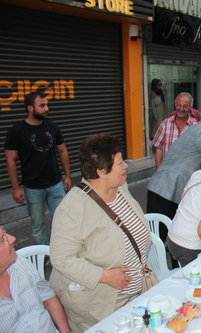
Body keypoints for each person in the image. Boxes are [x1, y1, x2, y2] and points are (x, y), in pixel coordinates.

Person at [49, 134, 153, 332]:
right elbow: (60, 258)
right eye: (120, 162)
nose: (126, 166)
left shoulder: (120, 188)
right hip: (100, 307)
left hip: (135, 296)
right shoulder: (72, 208)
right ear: (101, 171)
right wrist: (103, 276)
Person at [5, 91, 71, 245]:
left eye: (47, 105)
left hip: (55, 184)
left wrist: (67, 176)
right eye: (42, 105)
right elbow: (10, 161)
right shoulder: (16, 131)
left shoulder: (53, 127)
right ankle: (43, 257)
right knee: (37, 225)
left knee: (62, 222)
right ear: (30, 108)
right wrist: (15, 188)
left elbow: (62, 151)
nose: (46, 108)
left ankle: (62, 253)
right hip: (33, 187)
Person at [0, 227, 71, 333]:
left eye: (5, 234)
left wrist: (66, 331)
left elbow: (48, 298)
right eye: (2, 240)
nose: (12, 238)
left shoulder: (19, 263)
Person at [151, 92, 198, 169]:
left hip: (187, 173)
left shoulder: (195, 126)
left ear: (190, 107)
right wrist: (158, 170)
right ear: (175, 105)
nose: (181, 109)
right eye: (179, 105)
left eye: (185, 106)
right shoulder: (165, 124)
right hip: (167, 172)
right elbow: (159, 148)